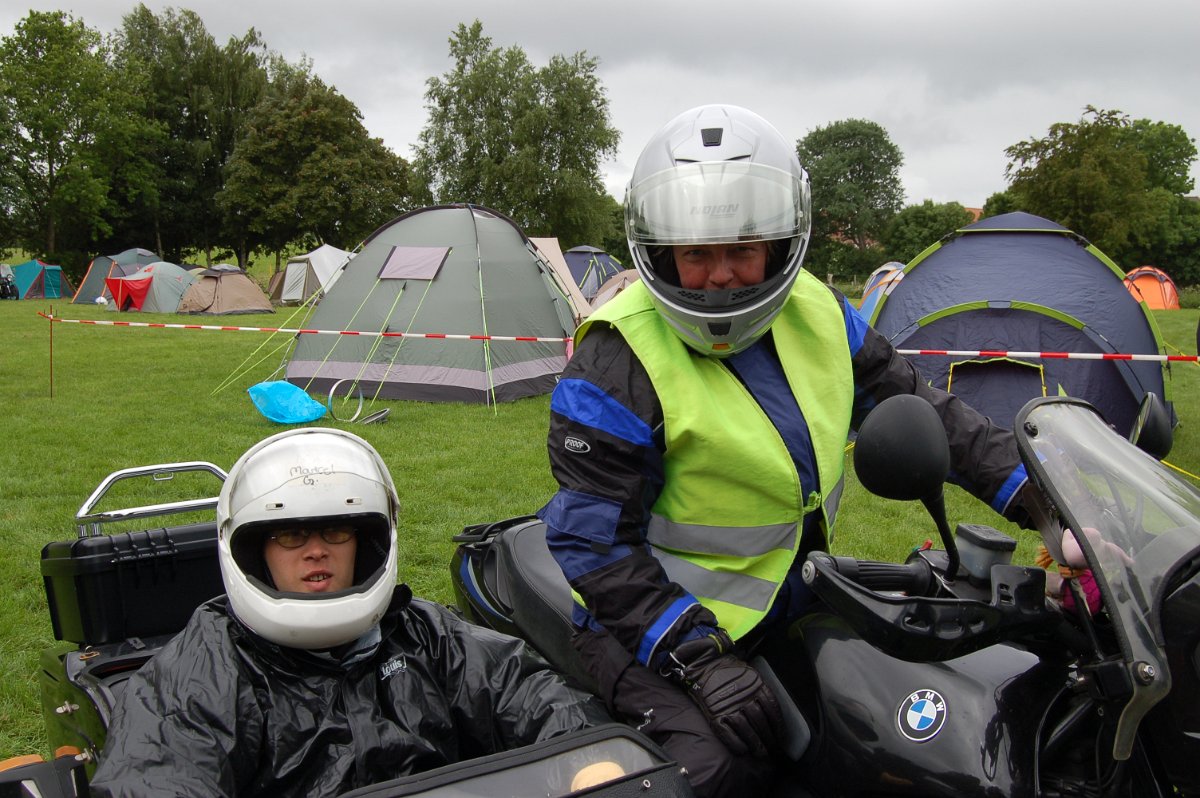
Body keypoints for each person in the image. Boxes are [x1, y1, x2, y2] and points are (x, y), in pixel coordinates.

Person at [539, 104, 1030, 798]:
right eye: (697, 254)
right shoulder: (615, 358)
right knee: (714, 774)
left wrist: (1040, 491)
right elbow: (594, 545)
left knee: (893, 736)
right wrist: (698, 658)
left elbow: (924, 410)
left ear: (779, 243)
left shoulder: (820, 312)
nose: (720, 277)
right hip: (648, 630)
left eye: (741, 249)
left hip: (793, 598)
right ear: (658, 252)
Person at [91, 427, 610, 797]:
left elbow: (531, 691)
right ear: (255, 552)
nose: (316, 551)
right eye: (290, 534)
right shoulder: (207, 669)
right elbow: (160, 774)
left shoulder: (424, 634)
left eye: (335, 531)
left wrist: (590, 760)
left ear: (365, 543)